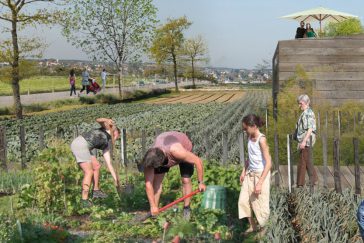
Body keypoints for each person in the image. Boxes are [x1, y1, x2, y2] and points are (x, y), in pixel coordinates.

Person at [141, 131, 206, 219]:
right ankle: (154, 212)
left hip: (183, 147)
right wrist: (153, 206)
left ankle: (186, 209)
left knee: (185, 180)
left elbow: (198, 161)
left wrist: (200, 182)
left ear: (160, 162)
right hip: (163, 150)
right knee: (157, 182)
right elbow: (148, 184)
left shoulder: (178, 151)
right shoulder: (150, 158)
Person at [70, 118, 120, 207]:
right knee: (89, 172)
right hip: (80, 144)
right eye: (117, 137)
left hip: (85, 147)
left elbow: (109, 164)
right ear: (116, 132)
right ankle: (84, 200)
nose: (115, 139)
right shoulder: (109, 129)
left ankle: (96, 191)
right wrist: (107, 120)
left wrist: (116, 179)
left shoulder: (106, 145)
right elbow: (98, 120)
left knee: (96, 166)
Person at [238, 114, 272, 235]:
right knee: (243, 201)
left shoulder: (261, 139)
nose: (244, 131)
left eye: (245, 128)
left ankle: (264, 230)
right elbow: (250, 157)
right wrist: (243, 171)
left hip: (260, 175)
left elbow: (268, 163)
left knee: (260, 204)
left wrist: (260, 183)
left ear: (253, 126)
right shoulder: (249, 137)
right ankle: (253, 226)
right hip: (249, 173)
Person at [295, 94, 318, 187]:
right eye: (299, 103)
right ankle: (312, 180)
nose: (299, 105)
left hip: (307, 141)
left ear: (307, 103)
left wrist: (304, 141)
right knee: (305, 160)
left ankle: (301, 183)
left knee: (303, 161)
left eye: (301, 103)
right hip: (304, 140)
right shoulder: (305, 112)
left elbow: (310, 129)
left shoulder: (308, 113)